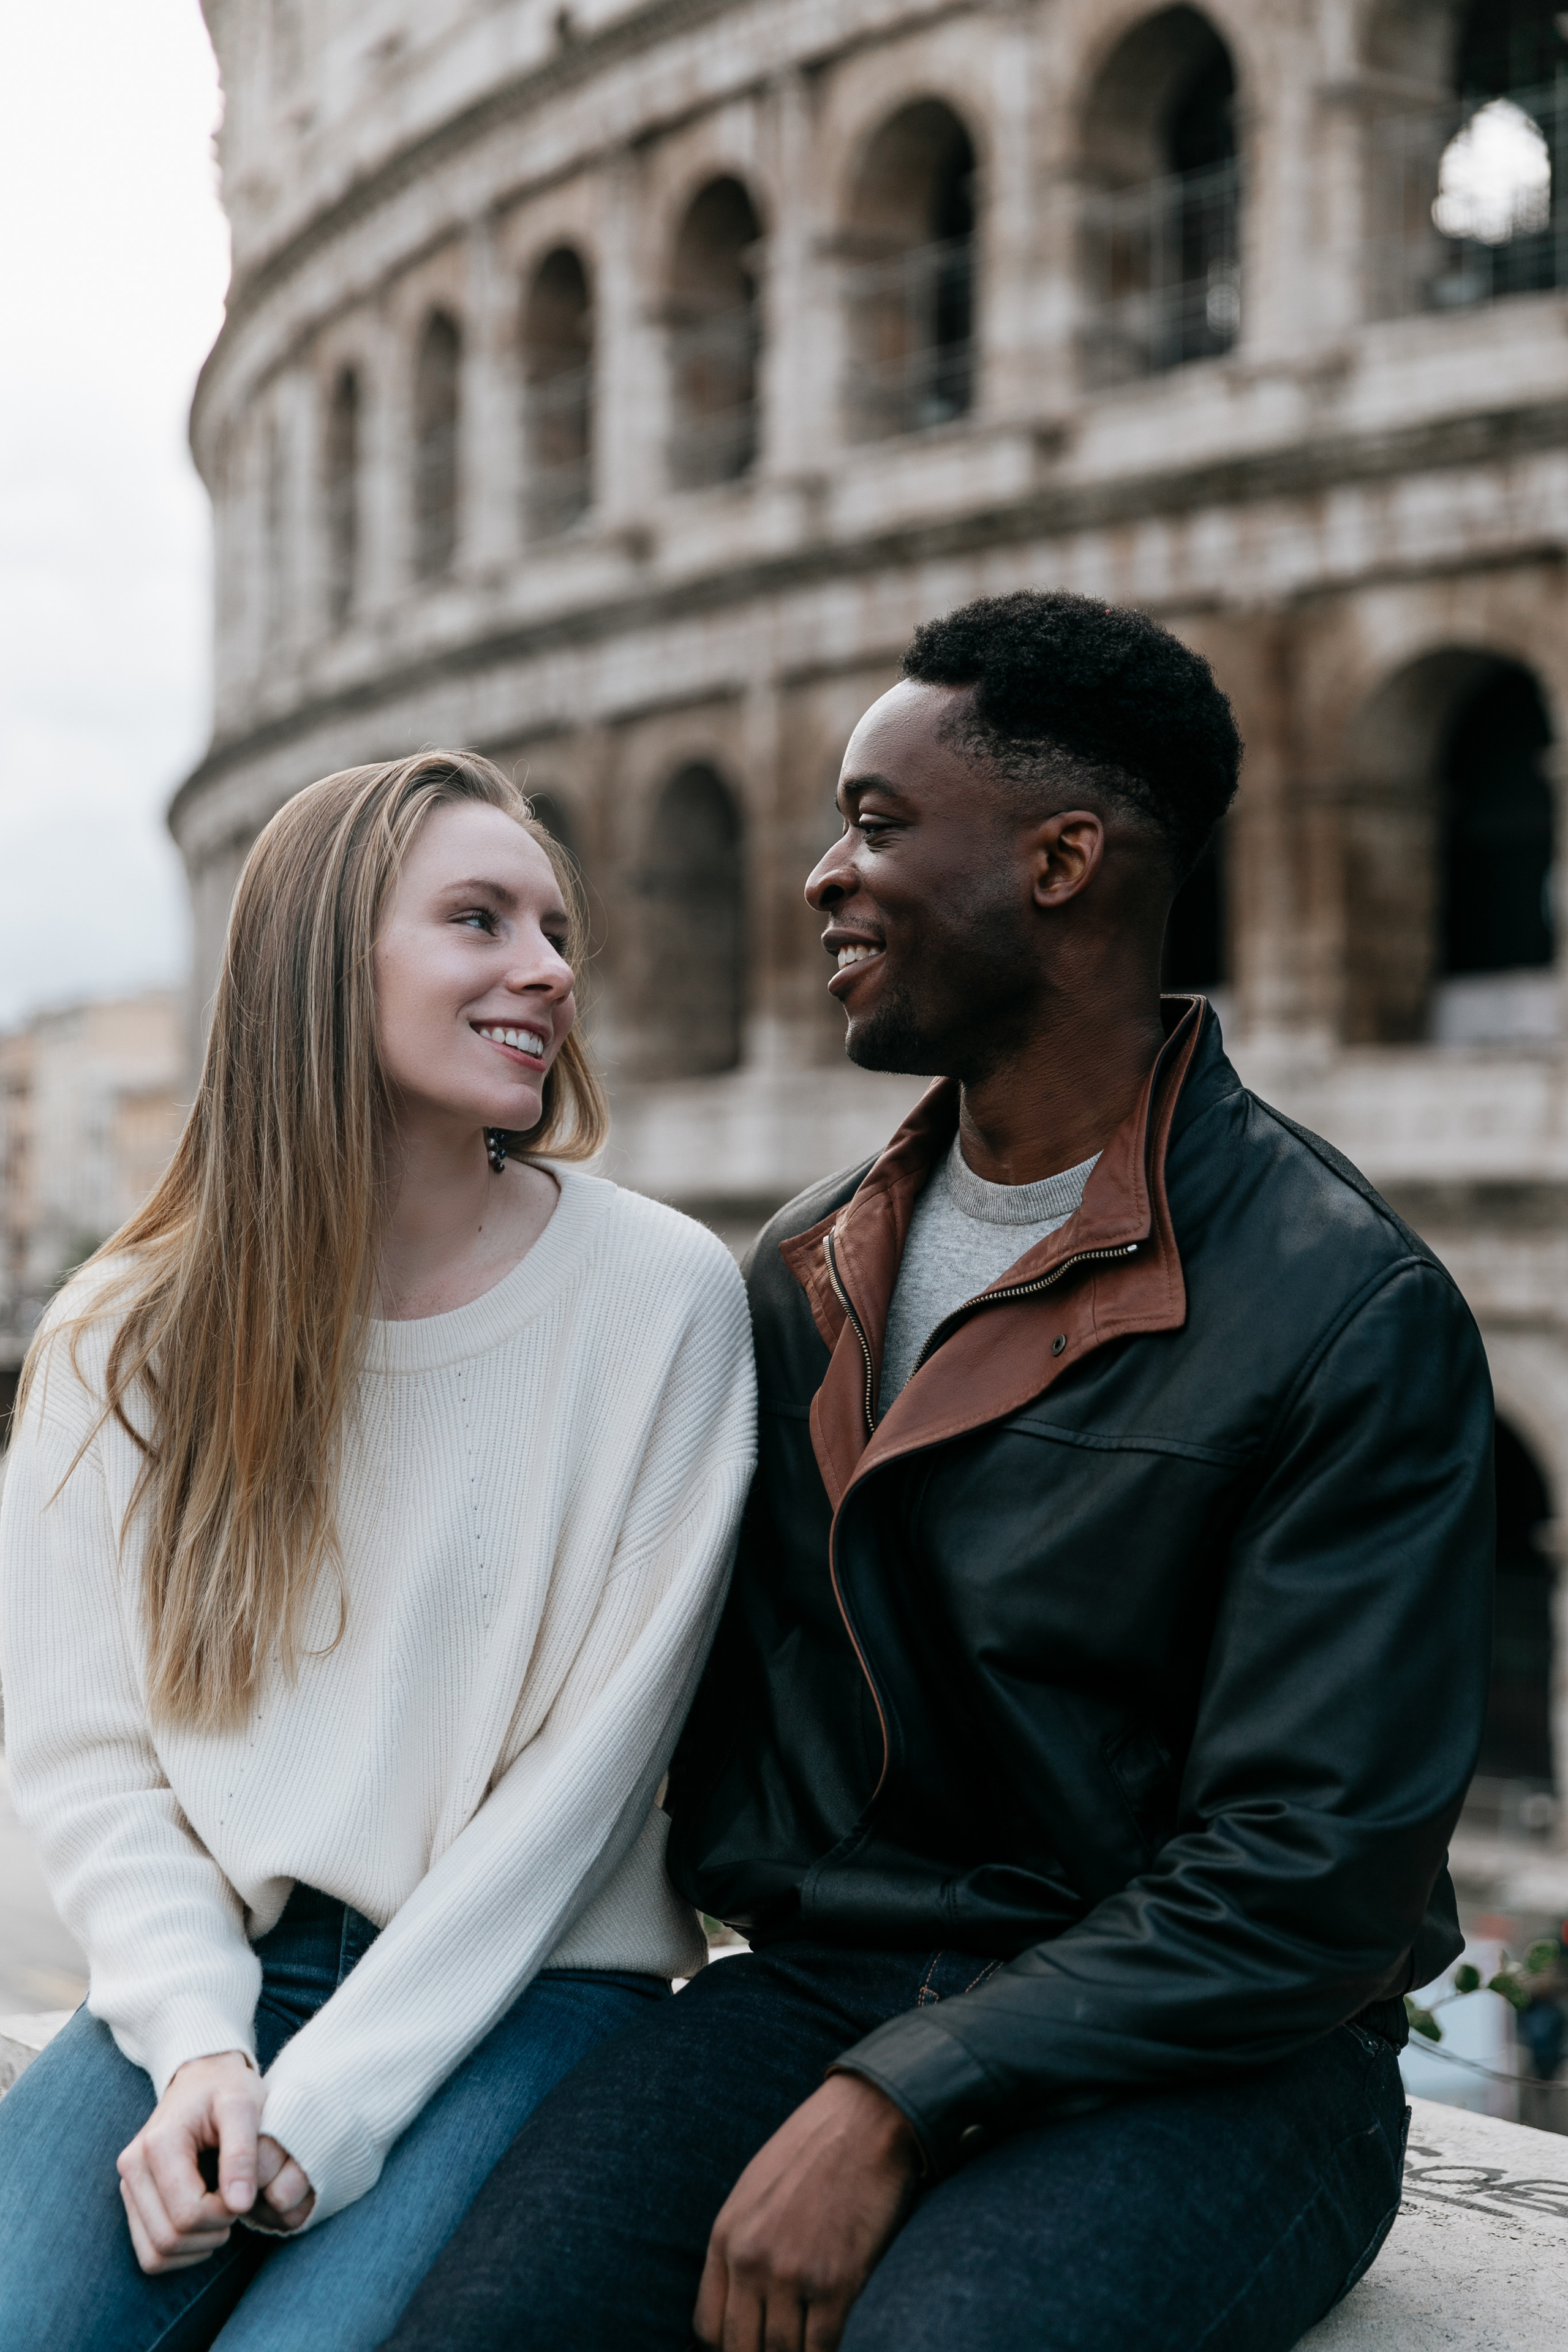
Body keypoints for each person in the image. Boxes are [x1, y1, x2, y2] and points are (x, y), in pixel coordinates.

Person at [384, 594, 1495, 2352]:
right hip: (823, 1992)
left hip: (1221, 2058)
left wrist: (907, 2095)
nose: (826, 874)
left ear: (1062, 859)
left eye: (880, 824)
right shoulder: (806, 1268)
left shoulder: (1349, 1309)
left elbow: (1312, 1880)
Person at [0, 752, 756, 2350]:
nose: (547, 968)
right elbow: (86, 1761)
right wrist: (200, 2042)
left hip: (529, 1991)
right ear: (318, 969)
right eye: (478, 920)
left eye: (555, 927)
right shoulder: (118, 1338)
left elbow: (589, 1793)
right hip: (213, 1967)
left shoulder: (663, 1297)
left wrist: (321, 2112)